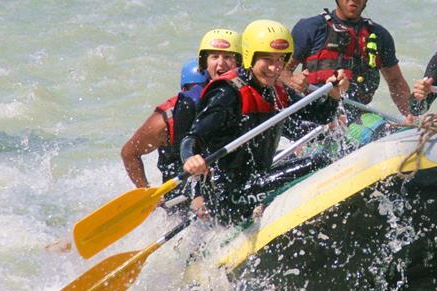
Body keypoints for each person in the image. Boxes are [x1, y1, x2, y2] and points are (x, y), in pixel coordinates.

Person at [182, 19, 347, 224]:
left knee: (324, 155)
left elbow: (320, 116)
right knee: (319, 162)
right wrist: (190, 158)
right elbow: (192, 138)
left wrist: (333, 95)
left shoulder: (275, 89)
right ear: (250, 57)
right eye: (267, 59)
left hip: (258, 180)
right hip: (229, 195)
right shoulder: (227, 93)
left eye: (280, 60)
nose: (274, 67)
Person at [120, 29, 242, 192]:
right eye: (214, 57)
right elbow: (129, 153)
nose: (221, 63)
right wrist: (147, 191)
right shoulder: (169, 117)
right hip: (182, 193)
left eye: (228, 57)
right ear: (205, 64)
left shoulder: (246, 93)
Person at [286, 0, 413, 121]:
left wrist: (410, 115)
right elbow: (281, 72)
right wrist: (293, 81)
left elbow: (395, 82)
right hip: (314, 114)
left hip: (357, 116)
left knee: (382, 126)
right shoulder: (310, 28)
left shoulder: (379, 35)